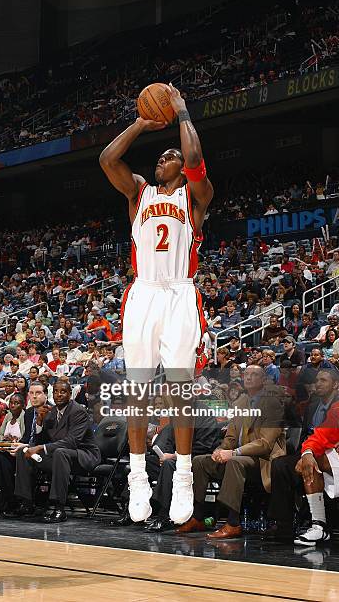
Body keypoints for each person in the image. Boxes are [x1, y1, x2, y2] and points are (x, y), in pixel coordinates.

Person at [99, 83, 214, 524]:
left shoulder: (195, 197)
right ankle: (137, 476)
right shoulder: (139, 193)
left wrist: (182, 111)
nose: (162, 160)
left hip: (180, 292)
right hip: (144, 291)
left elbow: (196, 160)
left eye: (169, 156)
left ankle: (183, 474)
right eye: (161, 156)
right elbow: (108, 160)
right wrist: (140, 123)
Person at [176, 366, 285, 539]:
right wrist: (221, 449)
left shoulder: (272, 404)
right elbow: (231, 436)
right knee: (200, 461)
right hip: (238, 455)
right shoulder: (240, 402)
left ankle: (233, 523)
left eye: (254, 375)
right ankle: (197, 516)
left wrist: (233, 453)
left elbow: (265, 443)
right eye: (246, 374)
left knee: (235, 462)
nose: (249, 378)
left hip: (263, 460)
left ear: (264, 380)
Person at [266, 369, 339, 543]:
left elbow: (324, 434)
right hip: (315, 450)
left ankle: (319, 525)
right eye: (317, 380)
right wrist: (306, 452)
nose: (318, 383)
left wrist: (308, 452)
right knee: (281, 464)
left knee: (310, 462)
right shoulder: (312, 404)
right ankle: (285, 525)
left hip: (323, 452)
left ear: (336, 385)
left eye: (323, 380)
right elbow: (314, 434)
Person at [12, 380, 101, 523]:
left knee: (61, 452)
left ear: (70, 394)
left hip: (82, 454)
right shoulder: (51, 412)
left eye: (63, 391)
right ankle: (26, 503)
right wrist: (40, 422)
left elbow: (72, 442)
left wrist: (41, 448)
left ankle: (59, 508)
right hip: (58, 456)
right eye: (56, 391)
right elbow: (42, 439)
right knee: (24, 452)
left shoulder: (78, 411)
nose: (59, 395)